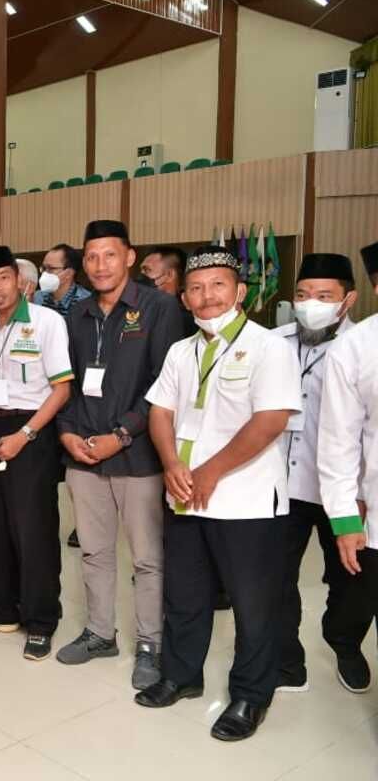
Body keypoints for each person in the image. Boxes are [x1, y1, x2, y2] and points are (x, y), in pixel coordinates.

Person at [136, 245, 300, 742]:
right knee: (184, 595)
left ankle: (251, 694)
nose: (207, 297)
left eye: (218, 286)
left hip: (245, 500)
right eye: (196, 288)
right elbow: (159, 412)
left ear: (240, 292)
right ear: (183, 298)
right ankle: (181, 675)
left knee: (253, 604)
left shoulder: (268, 346)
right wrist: (171, 465)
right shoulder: (181, 351)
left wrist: (209, 471)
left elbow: (270, 419)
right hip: (185, 494)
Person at [54, 221, 184, 688]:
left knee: (147, 557)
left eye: (109, 255)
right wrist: (67, 434)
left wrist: (123, 435)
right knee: (94, 551)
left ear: (129, 257)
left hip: (139, 456)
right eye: (91, 257)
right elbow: (64, 382)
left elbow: (165, 386)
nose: (100, 265)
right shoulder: (78, 314)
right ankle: (98, 632)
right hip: (83, 455)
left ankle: (149, 644)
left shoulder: (160, 308)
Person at [0, 245, 73, 660]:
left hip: (31, 430)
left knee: (33, 530)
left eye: (3, 279)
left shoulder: (47, 322)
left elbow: (62, 388)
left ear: (20, 281)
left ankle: (41, 619)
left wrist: (24, 435)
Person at [278, 252, 372, 694]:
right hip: (281, 484)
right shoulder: (272, 342)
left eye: (323, 295)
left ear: (347, 299)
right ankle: (286, 660)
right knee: (276, 577)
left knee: (348, 580)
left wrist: (355, 494)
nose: (309, 303)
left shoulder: (358, 346)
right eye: (302, 294)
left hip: (344, 492)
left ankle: (345, 643)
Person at [318, 241, 378, 695]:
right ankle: (345, 643)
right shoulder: (356, 348)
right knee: (356, 601)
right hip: (372, 509)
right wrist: (345, 519)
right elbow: (338, 442)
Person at [140, 247, 196, 337]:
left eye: (147, 270)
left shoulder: (186, 317)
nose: (142, 275)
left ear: (170, 275)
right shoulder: (143, 311)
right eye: (142, 271)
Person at [33, 243, 91, 316]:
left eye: (51, 269)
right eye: (44, 268)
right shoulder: (37, 298)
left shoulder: (86, 302)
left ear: (69, 273)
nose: (45, 273)